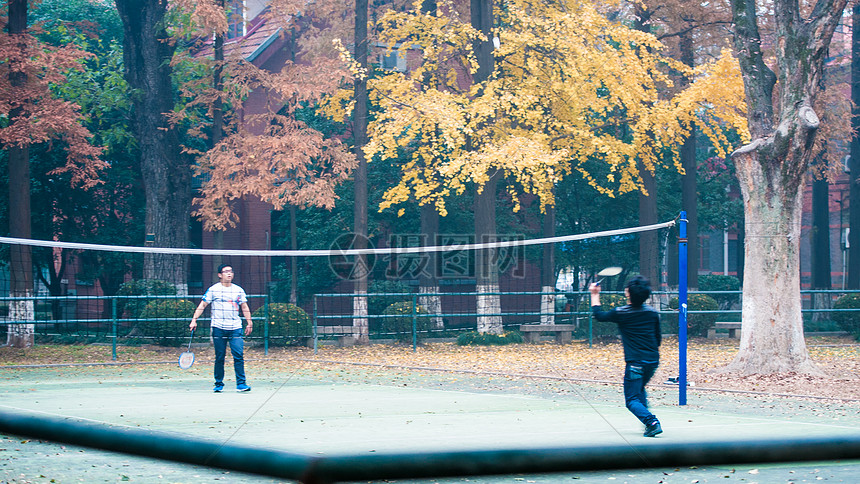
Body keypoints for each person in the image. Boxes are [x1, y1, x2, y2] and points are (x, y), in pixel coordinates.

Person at [590, 275, 662, 437]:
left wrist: (594, 294)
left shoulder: (621, 313)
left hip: (636, 362)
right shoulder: (652, 313)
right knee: (638, 390)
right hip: (652, 360)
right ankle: (648, 424)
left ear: (628, 293)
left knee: (631, 400)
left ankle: (651, 421)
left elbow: (599, 315)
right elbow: (658, 338)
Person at [190, 264, 253, 393]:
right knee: (220, 356)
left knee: (238, 355)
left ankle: (241, 384)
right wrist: (194, 319)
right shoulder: (213, 290)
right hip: (218, 327)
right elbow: (203, 305)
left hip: (235, 327)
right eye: (226, 272)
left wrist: (249, 322)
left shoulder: (238, 290)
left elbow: (245, 307)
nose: (229, 274)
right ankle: (218, 383)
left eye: (231, 271)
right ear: (220, 275)